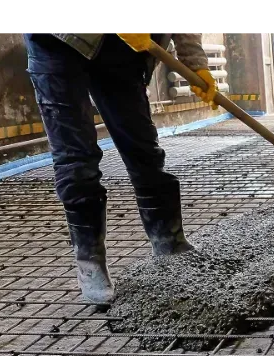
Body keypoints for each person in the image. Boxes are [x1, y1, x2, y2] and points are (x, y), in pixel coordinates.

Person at [23, 32, 218, 304]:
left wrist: (196, 62)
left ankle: (169, 241)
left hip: (121, 46)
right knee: (76, 156)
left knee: (142, 147)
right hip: (58, 44)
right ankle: (90, 261)